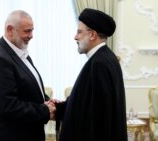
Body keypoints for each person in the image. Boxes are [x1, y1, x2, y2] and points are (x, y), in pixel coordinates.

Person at [0, 10, 56, 141]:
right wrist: (44, 110)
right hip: (9, 135)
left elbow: (26, 89)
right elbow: (8, 106)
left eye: (32, 30)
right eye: (27, 31)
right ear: (10, 30)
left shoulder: (19, 52)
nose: (31, 35)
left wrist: (47, 101)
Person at [55, 8, 128, 141]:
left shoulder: (99, 63)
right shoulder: (104, 58)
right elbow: (85, 102)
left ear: (92, 35)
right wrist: (59, 108)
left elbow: (101, 117)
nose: (75, 37)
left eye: (79, 32)